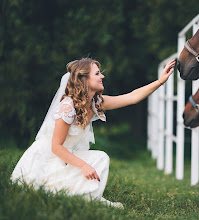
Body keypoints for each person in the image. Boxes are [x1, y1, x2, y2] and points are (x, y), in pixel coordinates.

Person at [11, 57, 176, 209]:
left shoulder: (95, 103)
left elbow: (131, 97)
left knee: (101, 158)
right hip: (45, 161)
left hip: (65, 158)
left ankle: (89, 197)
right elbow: (56, 147)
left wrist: (160, 81)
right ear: (84, 79)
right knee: (85, 167)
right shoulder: (68, 107)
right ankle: (83, 197)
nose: (102, 76)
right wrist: (83, 165)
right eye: (97, 73)